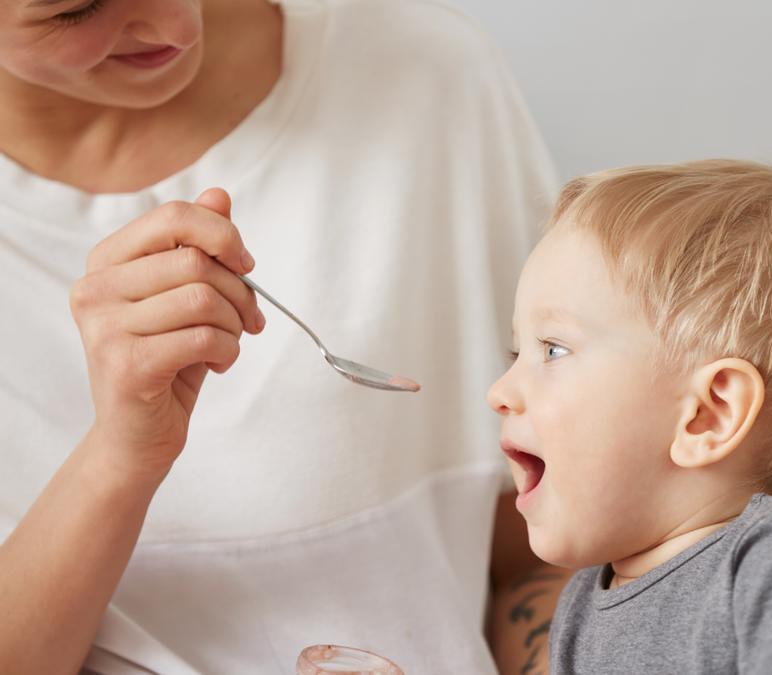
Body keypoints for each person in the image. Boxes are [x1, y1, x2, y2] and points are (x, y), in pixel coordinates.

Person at [0, 0, 564, 672]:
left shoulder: (421, 74)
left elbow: (543, 557)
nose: (179, 27)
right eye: (77, 9)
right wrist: (119, 458)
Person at [487, 160, 772, 673]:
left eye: (553, 349)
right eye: (516, 354)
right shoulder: (580, 605)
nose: (499, 392)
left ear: (709, 414)